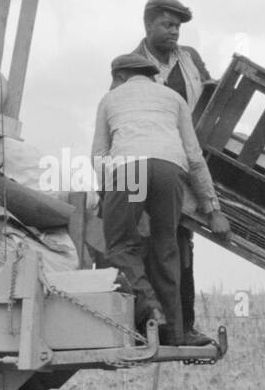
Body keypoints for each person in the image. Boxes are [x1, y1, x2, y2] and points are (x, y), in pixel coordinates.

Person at [92, 53, 229, 347]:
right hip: (170, 168)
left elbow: (100, 155)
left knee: (119, 245)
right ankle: (174, 333)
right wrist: (213, 208)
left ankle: (149, 306)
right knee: (167, 248)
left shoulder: (109, 99)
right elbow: (194, 157)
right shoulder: (172, 98)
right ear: (151, 75)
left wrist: (110, 194)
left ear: (119, 77)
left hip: (129, 167)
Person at [127, 0, 215, 338]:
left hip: (185, 159)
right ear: (148, 26)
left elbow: (208, 95)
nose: (174, 32)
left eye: (177, 26)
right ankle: (155, 324)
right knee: (152, 241)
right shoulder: (132, 64)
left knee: (181, 243)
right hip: (147, 159)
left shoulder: (190, 58)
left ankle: (183, 326)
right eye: (167, 25)